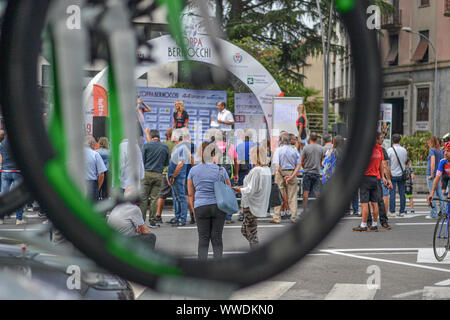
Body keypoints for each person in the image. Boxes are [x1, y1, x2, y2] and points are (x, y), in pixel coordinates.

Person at [187, 141, 230, 260]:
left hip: (200, 206)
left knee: (203, 238)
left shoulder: (193, 171)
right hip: (218, 206)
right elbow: (228, 188)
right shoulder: (221, 170)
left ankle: (202, 267)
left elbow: (191, 194)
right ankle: (218, 265)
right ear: (213, 153)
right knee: (217, 237)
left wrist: (193, 211)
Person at [233, 146, 271, 249]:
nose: (250, 157)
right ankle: (256, 250)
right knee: (247, 230)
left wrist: (239, 189)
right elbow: (255, 187)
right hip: (257, 204)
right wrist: (241, 188)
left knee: (251, 232)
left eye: (251, 155)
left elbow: (251, 189)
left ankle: (256, 253)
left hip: (251, 205)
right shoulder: (266, 169)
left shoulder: (257, 170)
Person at [353, 134, 389, 232]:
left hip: (365, 178)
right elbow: (381, 165)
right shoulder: (378, 150)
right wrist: (382, 177)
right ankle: (374, 225)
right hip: (375, 178)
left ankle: (363, 225)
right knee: (375, 203)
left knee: (365, 204)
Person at [140, 129, 169, 228]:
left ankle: (141, 222)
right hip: (158, 175)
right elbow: (166, 163)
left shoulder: (146, 146)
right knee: (154, 199)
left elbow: (142, 161)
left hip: (146, 174)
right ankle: (152, 221)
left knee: (143, 199)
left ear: (151, 137)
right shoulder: (164, 147)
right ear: (159, 137)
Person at [271, 133, 302, 224]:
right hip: (292, 172)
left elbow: (276, 164)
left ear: (282, 141)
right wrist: (292, 176)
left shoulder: (278, 150)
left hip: (281, 174)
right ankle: (294, 217)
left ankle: (277, 217)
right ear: (290, 141)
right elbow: (299, 164)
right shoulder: (294, 151)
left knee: (278, 195)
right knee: (292, 196)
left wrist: (284, 175)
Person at [167, 129, 191, 227]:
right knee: (177, 198)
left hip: (178, 177)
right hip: (175, 177)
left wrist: (173, 176)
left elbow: (180, 164)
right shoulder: (178, 147)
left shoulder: (182, 148)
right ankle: (177, 217)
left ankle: (182, 219)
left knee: (181, 198)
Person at [0, 135, 25, 225]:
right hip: (17, 171)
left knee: (3, 193)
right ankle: (19, 219)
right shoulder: (18, 143)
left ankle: (1, 217)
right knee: (19, 195)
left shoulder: (2, 143)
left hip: (5, 171)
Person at [301, 132, 326, 211]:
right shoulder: (321, 148)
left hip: (307, 172)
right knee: (317, 192)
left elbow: (302, 161)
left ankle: (304, 210)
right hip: (317, 172)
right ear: (317, 139)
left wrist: (305, 167)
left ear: (309, 139)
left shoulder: (306, 148)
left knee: (306, 192)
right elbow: (322, 161)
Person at [156, 128, 175, 223]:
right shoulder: (176, 145)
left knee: (162, 195)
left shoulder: (163, 144)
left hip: (164, 172)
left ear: (166, 136)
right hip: (176, 172)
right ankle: (187, 215)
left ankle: (158, 216)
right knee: (179, 195)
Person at [387, 133, 408, 217]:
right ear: (400, 140)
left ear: (392, 140)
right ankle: (402, 211)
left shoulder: (389, 150)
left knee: (392, 193)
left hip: (392, 174)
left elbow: (388, 163)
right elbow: (405, 161)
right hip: (402, 174)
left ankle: (392, 211)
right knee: (402, 193)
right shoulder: (404, 150)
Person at [427, 142, 450, 218]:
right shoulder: (443, 162)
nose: (445, 153)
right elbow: (437, 178)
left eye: (448, 151)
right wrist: (432, 193)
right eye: (445, 150)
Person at [426, 136, 445, 219]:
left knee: (432, 194)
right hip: (439, 174)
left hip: (432, 174)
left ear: (432, 142)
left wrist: (431, 174)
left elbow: (432, 161)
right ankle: (444, 212)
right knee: (440, 194)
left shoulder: (432, 150)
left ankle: (433, 213)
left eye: (428, 143)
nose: (428, 144)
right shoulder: (440, 151)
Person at [84, 136, 107, 201]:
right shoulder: (95, 154)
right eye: (94, 144)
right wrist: (98, 187)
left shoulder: (76, 154)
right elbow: (101, 174)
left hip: (78, 184)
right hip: (92, 185)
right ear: (92, 144)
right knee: (93, 208)